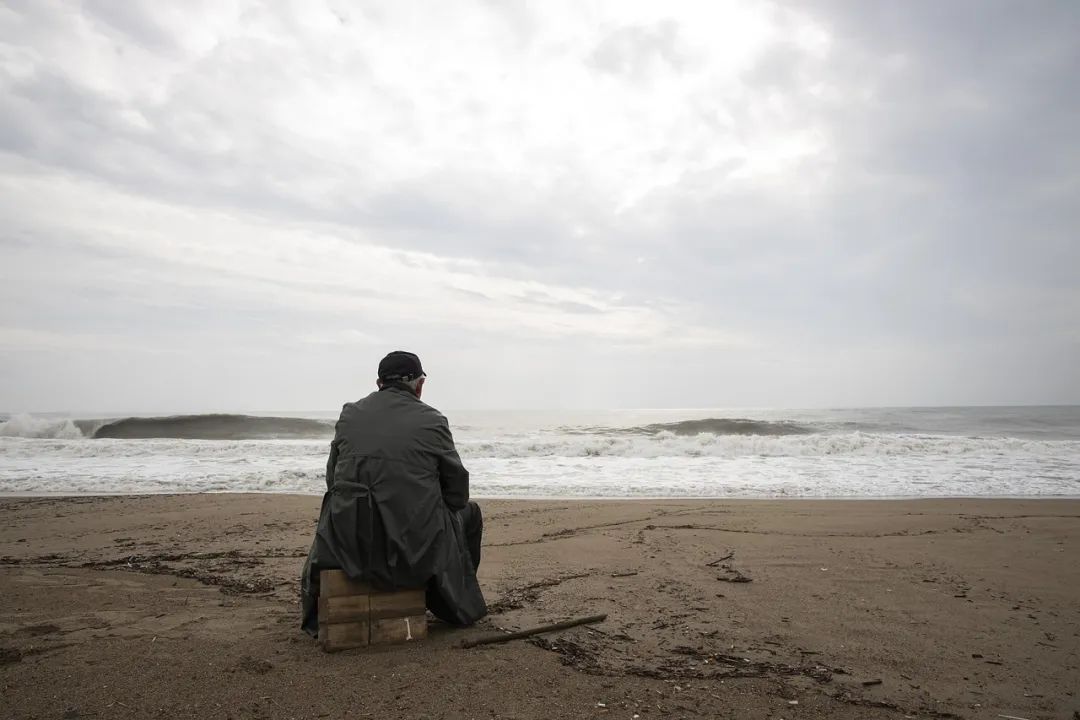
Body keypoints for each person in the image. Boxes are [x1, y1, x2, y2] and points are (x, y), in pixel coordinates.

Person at [300, 351, 487, 635]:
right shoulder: (433, 420)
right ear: (419, 385)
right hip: (411, 551)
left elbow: (332, 480)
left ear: (379, 383)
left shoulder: (349, 414)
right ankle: (450, 603)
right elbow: (457, 492)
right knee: (470, 513)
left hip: (347, 546)